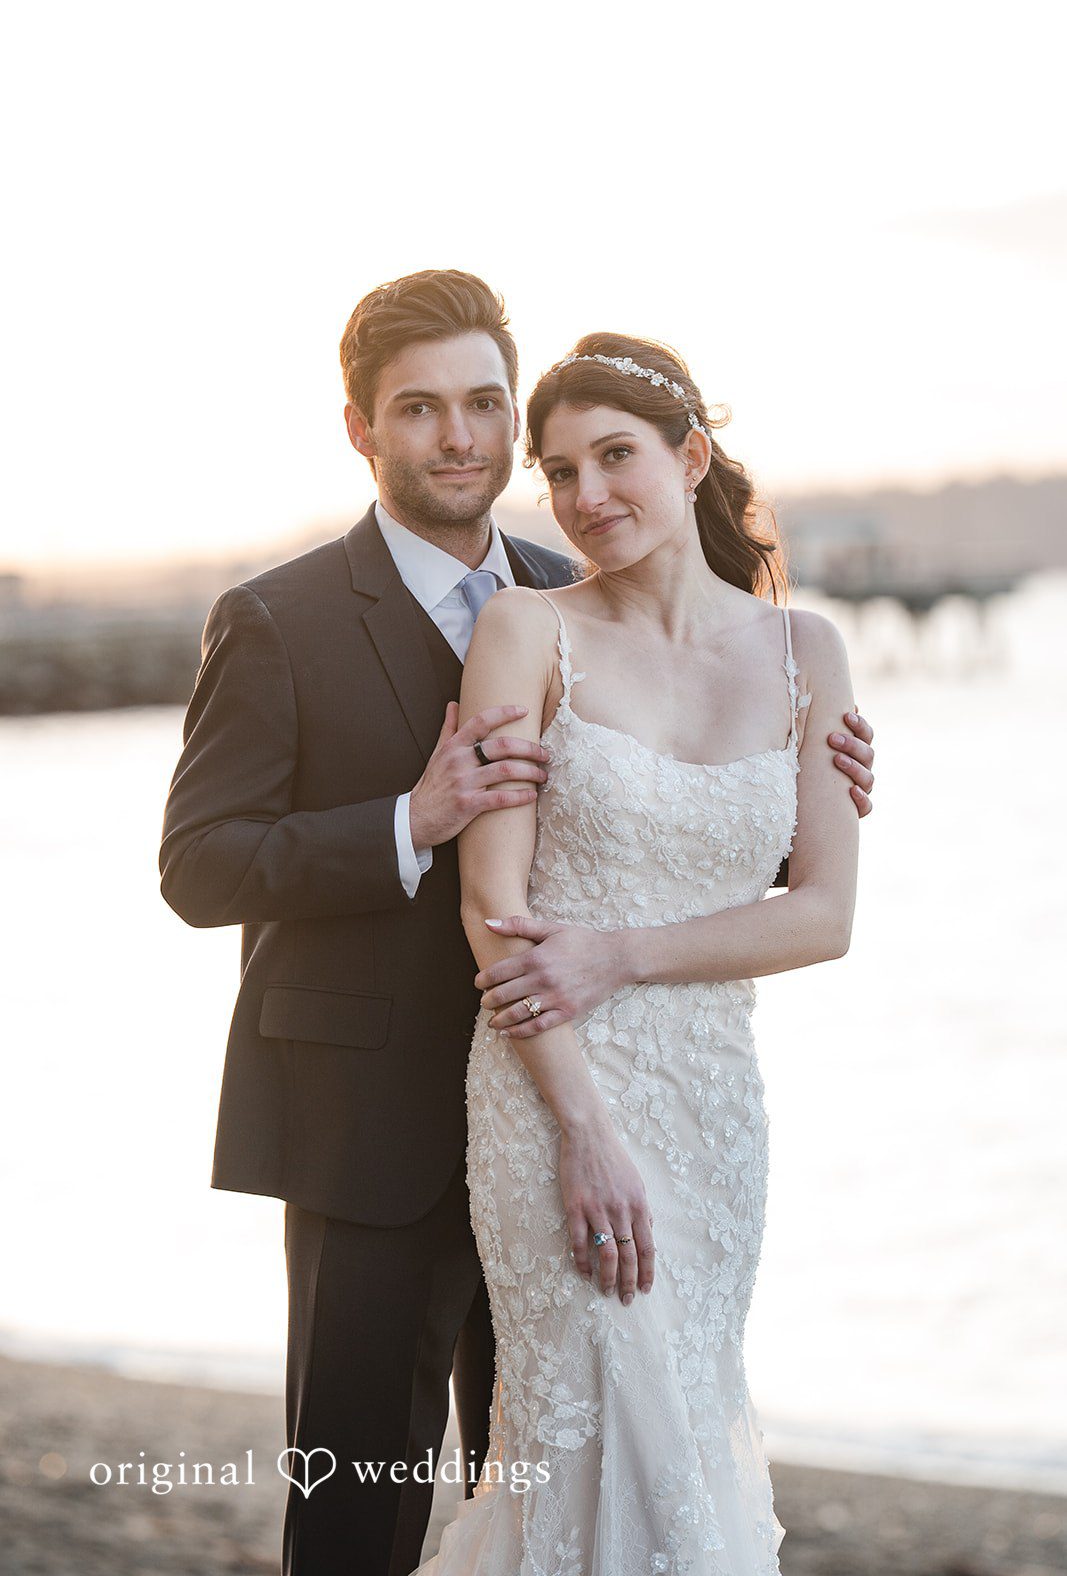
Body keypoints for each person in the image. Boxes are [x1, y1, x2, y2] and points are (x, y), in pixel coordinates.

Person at [158, 273, 875, 1576]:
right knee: (357, 1508)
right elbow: (198, 867)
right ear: (360, 429)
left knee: (565, 1480)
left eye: (483, 404)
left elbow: (654, 828)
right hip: (367, 1130)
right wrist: (407, 818)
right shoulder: (278, 618)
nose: (459, 437)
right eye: (419, 409)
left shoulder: (569, 579)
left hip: (582, 1102)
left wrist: (805, 795)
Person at [412, 333, 860, 1575]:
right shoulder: (524, 628)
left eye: (615, 456)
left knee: (688, 1425)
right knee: (597, 1432)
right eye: (556, 472)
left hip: (713, 1109)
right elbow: (491, 910)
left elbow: (822, 915)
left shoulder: (803, 654)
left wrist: (620, 950)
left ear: (691, 457)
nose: (584, 495)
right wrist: (584, 1131)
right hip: (551, 1090)